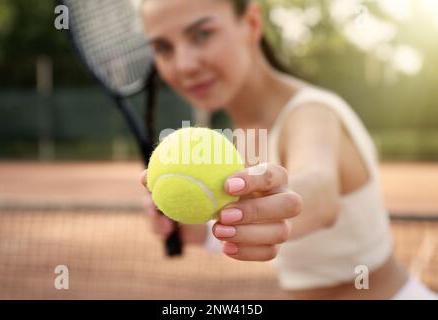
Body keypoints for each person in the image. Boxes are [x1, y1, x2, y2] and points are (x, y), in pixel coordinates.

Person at [138, 0, 438, 299]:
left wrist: (283, 197)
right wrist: (202, 230)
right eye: (164, 48)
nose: (184, 65)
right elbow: (253, 216)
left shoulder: (312, 111)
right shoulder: (238, 136)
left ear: (253, 24)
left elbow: (319, 189)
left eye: (202, 34)